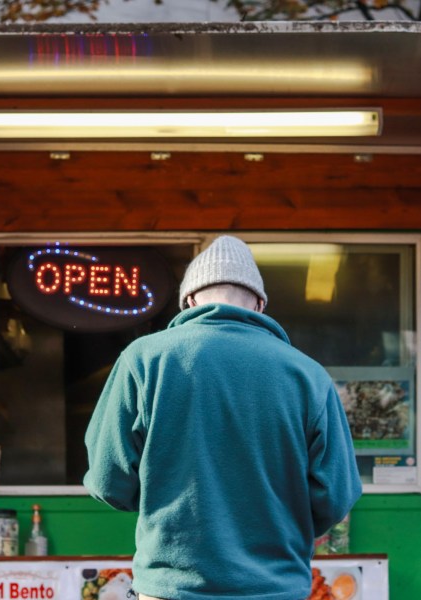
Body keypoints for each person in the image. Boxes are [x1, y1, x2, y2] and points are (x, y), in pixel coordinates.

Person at [84, 235, 362, 600]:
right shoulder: (308, 376)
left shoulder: (144, 360)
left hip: (172, 589)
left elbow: (108, 481)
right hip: (275, 589)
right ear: (260, 305)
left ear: (190, 301)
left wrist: (166, 496)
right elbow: (336, 496)